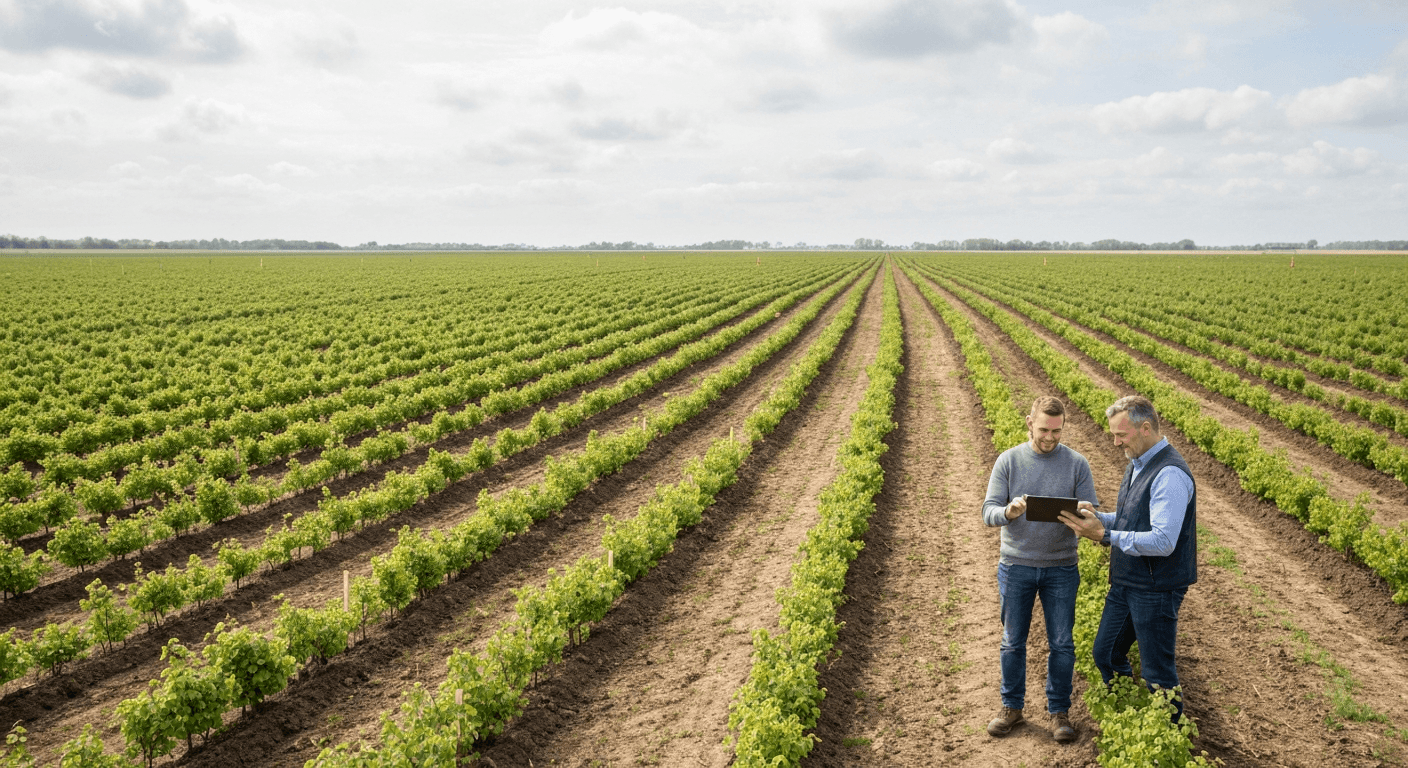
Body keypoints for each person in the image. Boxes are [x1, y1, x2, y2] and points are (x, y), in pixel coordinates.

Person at [1060, 395, 1197, 721]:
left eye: (1121, 435)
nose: (1116, 442)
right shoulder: (1138, 463)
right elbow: (1133, 519)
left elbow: (1163, 541)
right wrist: (1098, 518)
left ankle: (1168, 732)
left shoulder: (1169, 474)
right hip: (1128, 581)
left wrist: (1105, 535)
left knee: (1157, 673)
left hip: (1156, 587)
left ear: (1145, 428)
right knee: (1106, 653)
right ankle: (1129, 715)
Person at [982, 396, 1099, 744]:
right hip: (1016, 565)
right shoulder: (1008, 461)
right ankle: (1012, 708)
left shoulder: (1077, 464)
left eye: (1057, 431)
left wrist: (1085, 512)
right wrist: (1009, 512)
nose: (1050, 437)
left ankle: (1059, 712)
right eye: (1044, 429)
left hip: (1061, 567)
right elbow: (988, 511)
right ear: (1030, 423)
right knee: (1012, 641)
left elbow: (1092, 514)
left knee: (1062, 643)